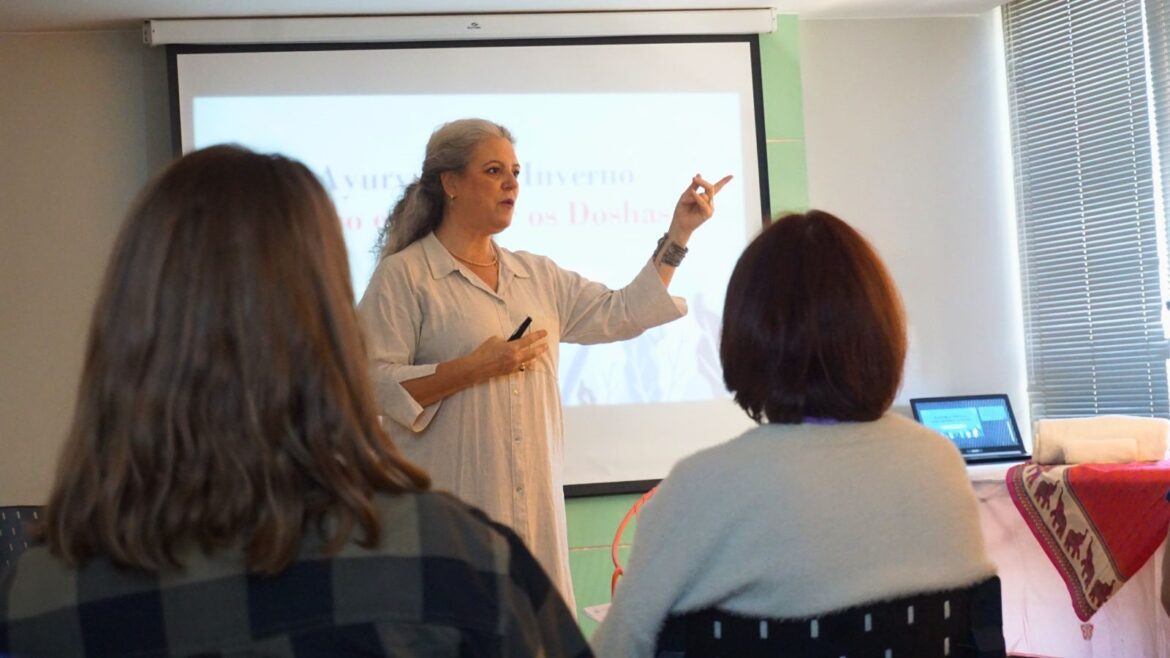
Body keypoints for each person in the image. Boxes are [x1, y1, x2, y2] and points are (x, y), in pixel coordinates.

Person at [0, 145, 592, 658]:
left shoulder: (47, 596)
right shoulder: (459, 562)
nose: (511, 181)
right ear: (333, 329)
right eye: (495, 169)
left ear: (125, 329)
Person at [357, 118, 730, 609]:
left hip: (534, 522)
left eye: (515, 171)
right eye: (493, 170)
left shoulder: (534, 274)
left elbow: (620, 312)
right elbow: (369, 383)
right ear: (449, 183)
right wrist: (472, 368)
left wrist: (679, 234)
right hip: (450, 524)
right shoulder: (405, 276)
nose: (511, 183)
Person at [591, 210, 998, 657]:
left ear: (746, 335)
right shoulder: (939, 465)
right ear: (881, 330)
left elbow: (618, 648)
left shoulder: (699, 486)